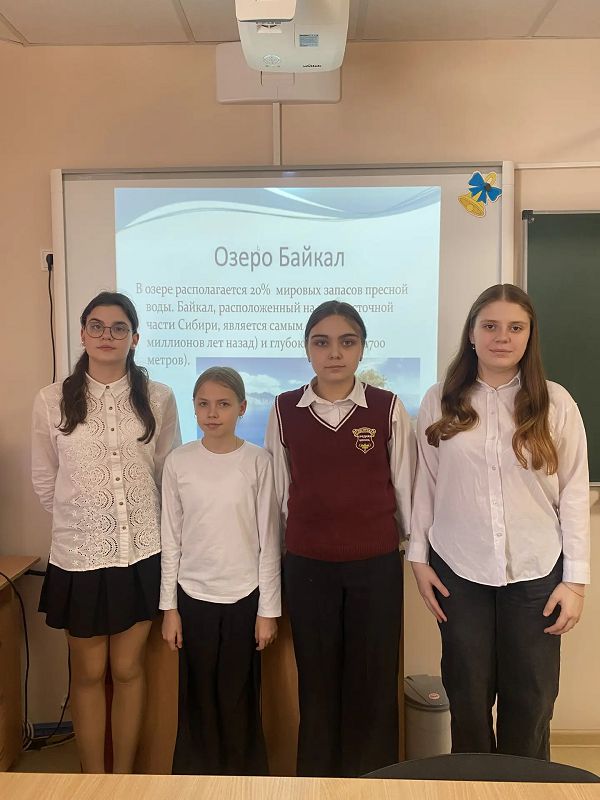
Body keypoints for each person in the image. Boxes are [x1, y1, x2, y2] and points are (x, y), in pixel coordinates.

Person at [408, 283, 590, 759]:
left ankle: (525, 789)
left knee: (531, 701)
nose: (502, 337)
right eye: (490, 326)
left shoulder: (556, 403)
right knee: (467, 698)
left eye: (515, 327)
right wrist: (419, 561)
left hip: (536, 572)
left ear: (530, 336)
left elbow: (574, 494)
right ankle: (473, 788)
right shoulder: (440, 400)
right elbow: (426, 485)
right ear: (472, 334)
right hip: (458, 570)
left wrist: (575, 583)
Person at [265, 301, 416, 777]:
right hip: (308, 566)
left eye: (347, 342)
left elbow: (405, 489)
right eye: (322, 342)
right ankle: (318, 782)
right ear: (307, 349)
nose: (334, 353)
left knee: (373, 683)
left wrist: (410, 551)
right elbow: (279, 493)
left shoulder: (387, 408)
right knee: (317, 683)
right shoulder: (284, 409)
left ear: (362, 348)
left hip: (375, 566)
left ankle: (373, 782)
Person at [31, 291, 180, 774]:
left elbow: (167, 474)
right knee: (90, 672)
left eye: (119, 328)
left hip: (141, 553)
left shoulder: (158, 397)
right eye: (96, 326)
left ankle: (123, 782)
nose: (106, 336)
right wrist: (85, 521)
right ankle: (93, 781)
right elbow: (46, 480)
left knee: (129, 669)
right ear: (83, 333)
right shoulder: (52, 399)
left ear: (134, 338)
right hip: (79, 558)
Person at [160, 366, 280, 776]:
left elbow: (269, 541)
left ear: (242, 408)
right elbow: (171, 539)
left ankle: (243, 781)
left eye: (223, 404)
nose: (212, 413)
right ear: (194, 408)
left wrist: (267, 611)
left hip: (245, 598)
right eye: (204, 404)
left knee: (238, 697)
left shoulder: (258, 462)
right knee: (197, 699)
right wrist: (169, 609)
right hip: (193, 598)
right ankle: (196, 782)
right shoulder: (179, 462)